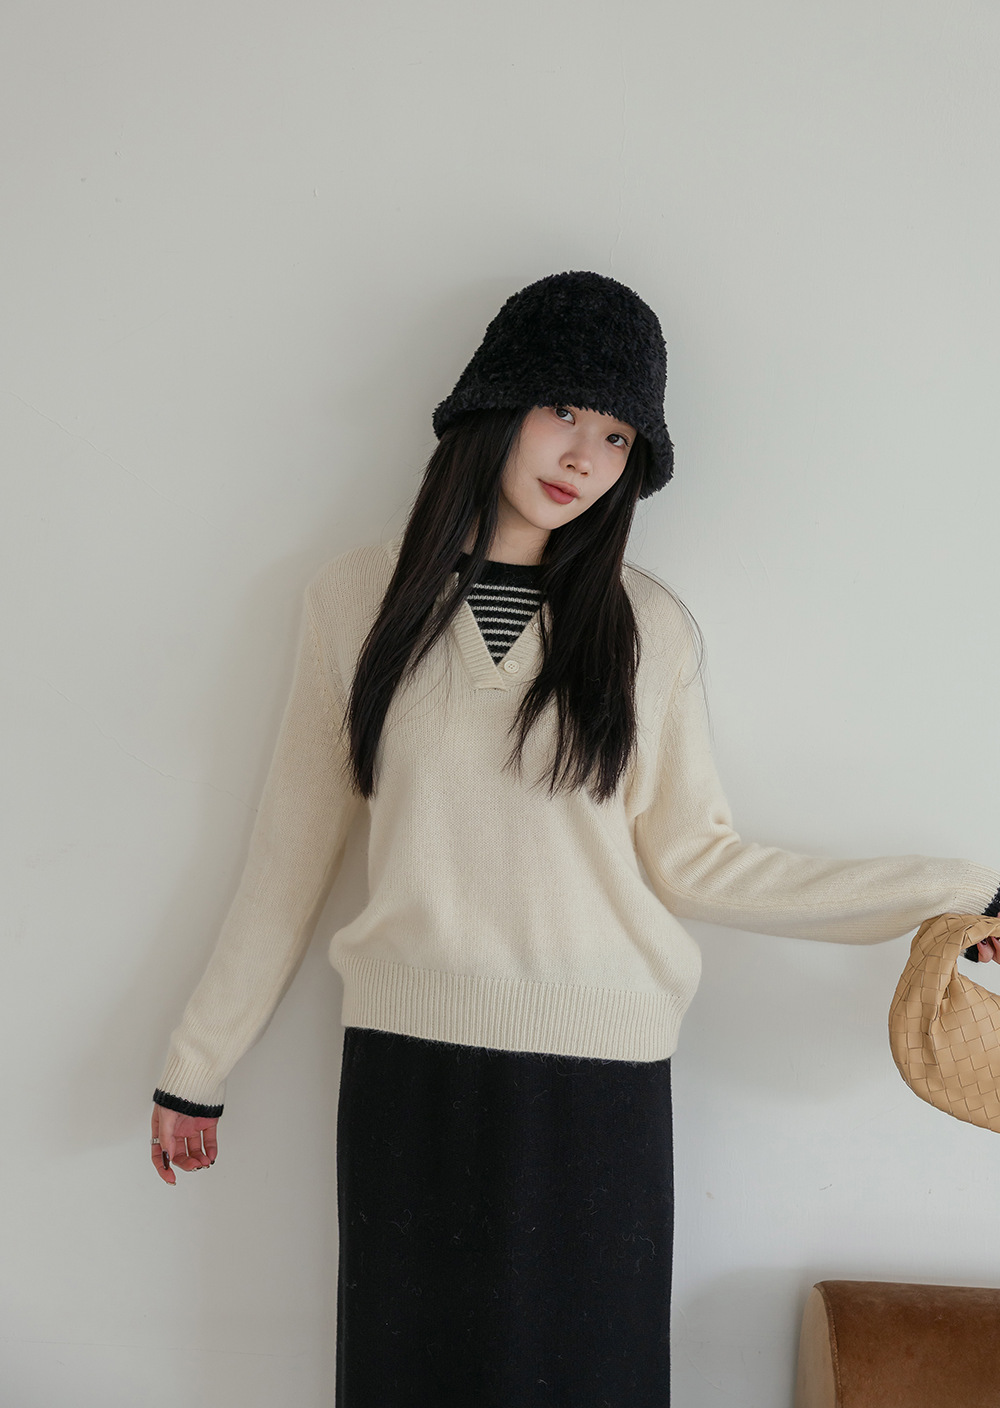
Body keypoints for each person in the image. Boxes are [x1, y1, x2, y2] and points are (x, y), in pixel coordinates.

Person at [150, 271, 1000, 1407]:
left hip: (596, 1091)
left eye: (616, 436)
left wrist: (959, 890)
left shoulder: (648, 627)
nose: (584, 456)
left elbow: (701, 860)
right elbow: (287, 856)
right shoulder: (356, 601)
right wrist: (196, 1069)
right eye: (564, 411)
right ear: (496, 404)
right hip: (409, 1076)